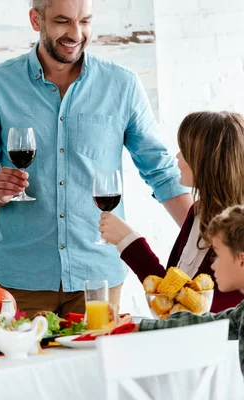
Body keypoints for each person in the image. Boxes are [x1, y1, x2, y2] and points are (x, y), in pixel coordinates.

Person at [0, 0, 192, 317]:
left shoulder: (122, 86)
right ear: (35, 19)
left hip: (98, 277)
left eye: (85, 21)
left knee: (97, 367)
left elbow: (162, 173)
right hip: (21, 280)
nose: (76, 33)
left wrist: (206, 240)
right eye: (62, 21)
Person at [100, 112, 244, 311]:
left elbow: (198, 312)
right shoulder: (198, 212)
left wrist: (131, 243)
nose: (177, 156)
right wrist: (127, 242)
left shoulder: (238, 231)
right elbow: (169, 297)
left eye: (185, 150)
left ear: (206, 160)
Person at [138, 204, 244, 374]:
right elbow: (206, 323)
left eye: (216, 254)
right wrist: (137, 327)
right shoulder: (240, 313)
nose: (213, 266)